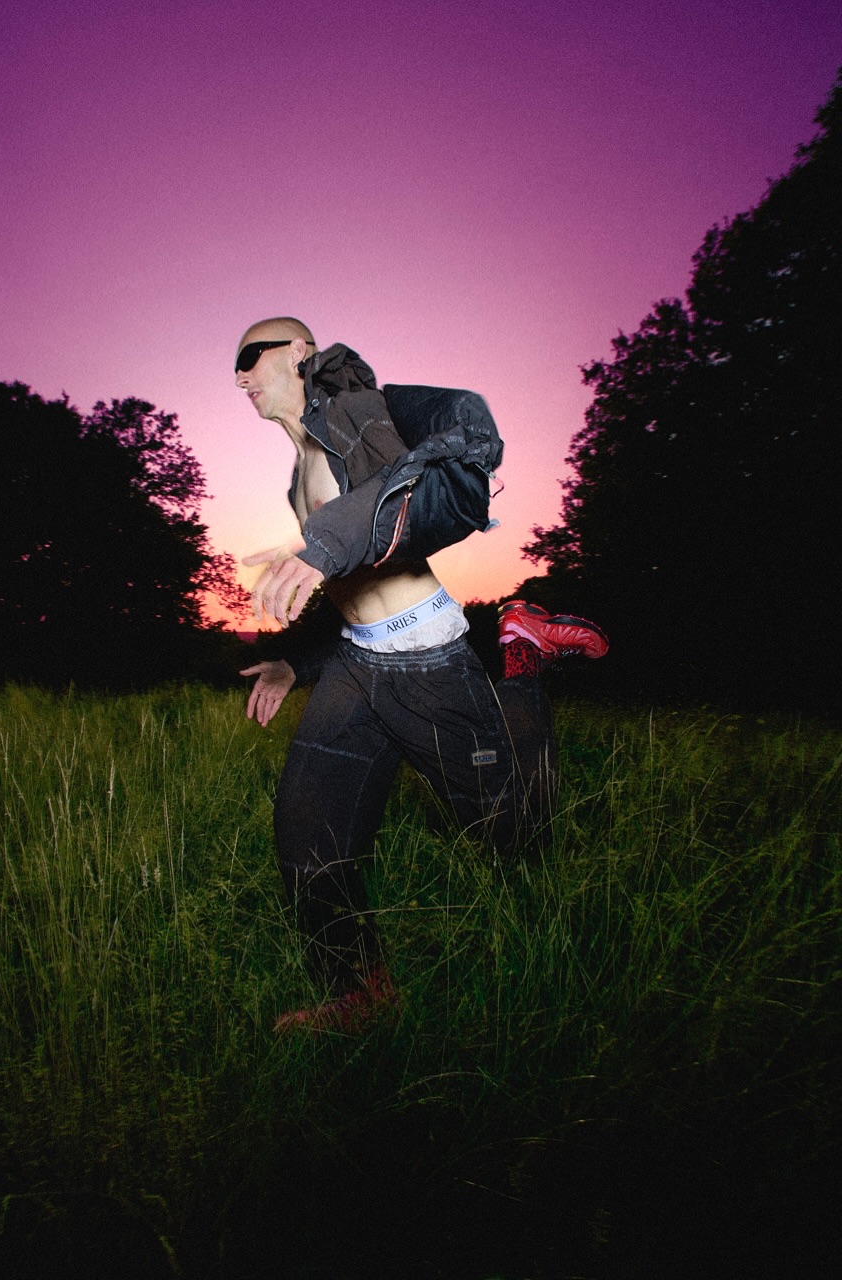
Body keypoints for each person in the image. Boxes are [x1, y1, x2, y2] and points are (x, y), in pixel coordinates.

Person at [235, 317, 607, 1032]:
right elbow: (351, 595)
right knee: (308, 833)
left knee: (512, 829)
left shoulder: (358, 412)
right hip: (355, 663)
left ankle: (522, 661)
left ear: (301, 353)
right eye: (235, 367)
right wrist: (293, 664)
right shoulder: (299, 469)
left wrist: (324, 543)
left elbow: (430, 474)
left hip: (424, 658)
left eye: (252, 355)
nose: (240, 376)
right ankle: (362, 994)